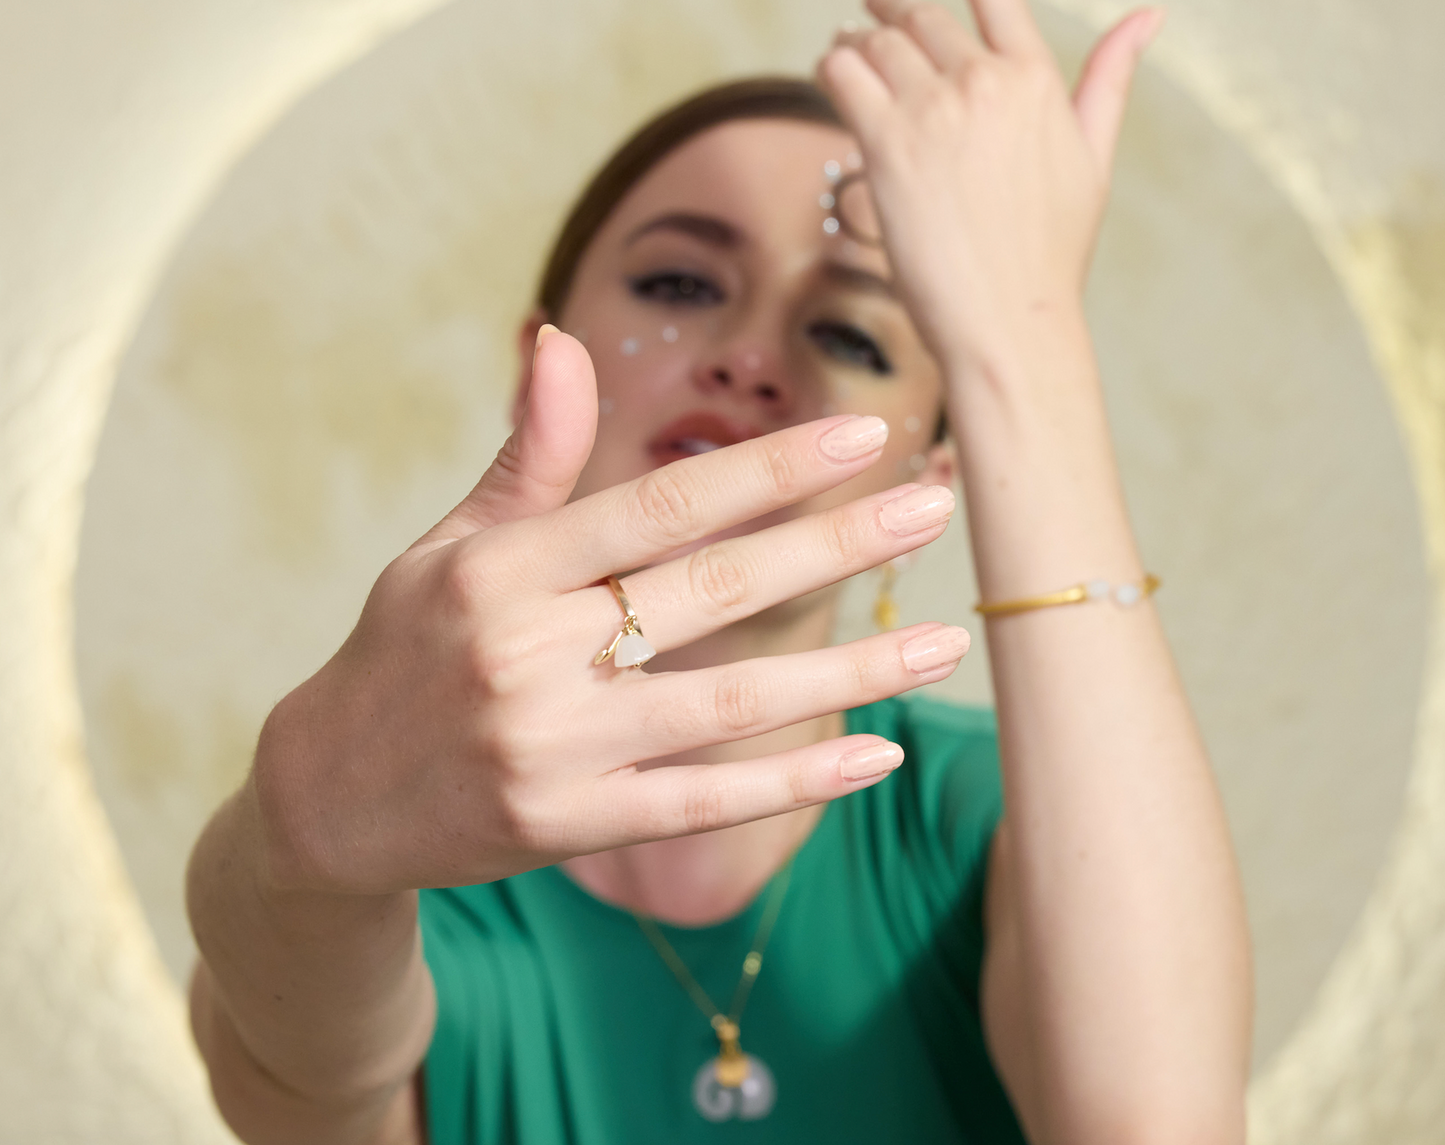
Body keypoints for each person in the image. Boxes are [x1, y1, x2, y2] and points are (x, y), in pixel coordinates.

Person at [185, 1, 1252, 1142]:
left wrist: (1021, 334)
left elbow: (1158, 1123)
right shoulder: (405, 863)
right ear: (536, 357)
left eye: (851, 336)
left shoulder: (987, 827)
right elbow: (291, 1080)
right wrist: (294, 836)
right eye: (681, 285)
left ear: (941, 461)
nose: (749, 356)